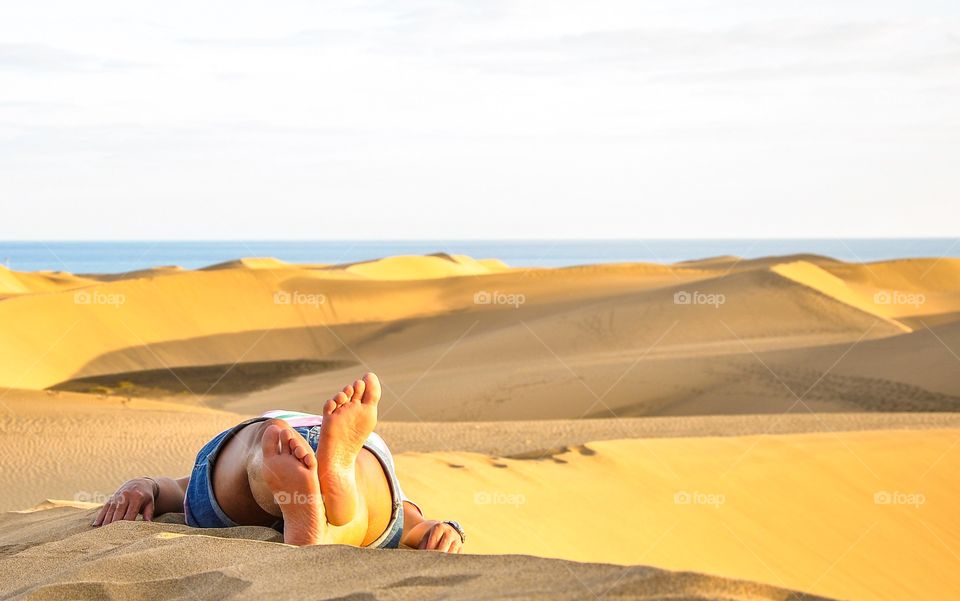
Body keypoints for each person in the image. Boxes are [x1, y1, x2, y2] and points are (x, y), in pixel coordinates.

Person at [93, 372, 465, 553]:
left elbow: (174, 490)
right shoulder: (368, 455)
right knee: (365, 500)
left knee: (258, 446)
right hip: (368, 459)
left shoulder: (280, 428)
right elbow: (417, 525)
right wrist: (445, 529)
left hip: (277, 440)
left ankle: (279, 478)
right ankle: (336, 487)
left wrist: (144, 485)